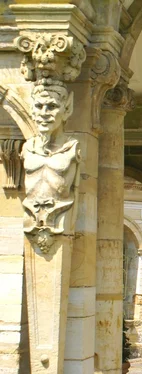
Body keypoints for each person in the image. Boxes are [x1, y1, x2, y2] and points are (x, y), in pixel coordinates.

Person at [21, 79, 80, 249]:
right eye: (39, 106)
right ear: (32, 108)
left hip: (62, 215)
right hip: (30, 216)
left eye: (52, 106)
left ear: (66, 109)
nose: (44, 113)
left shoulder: (72, 147)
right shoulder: (27, 147)